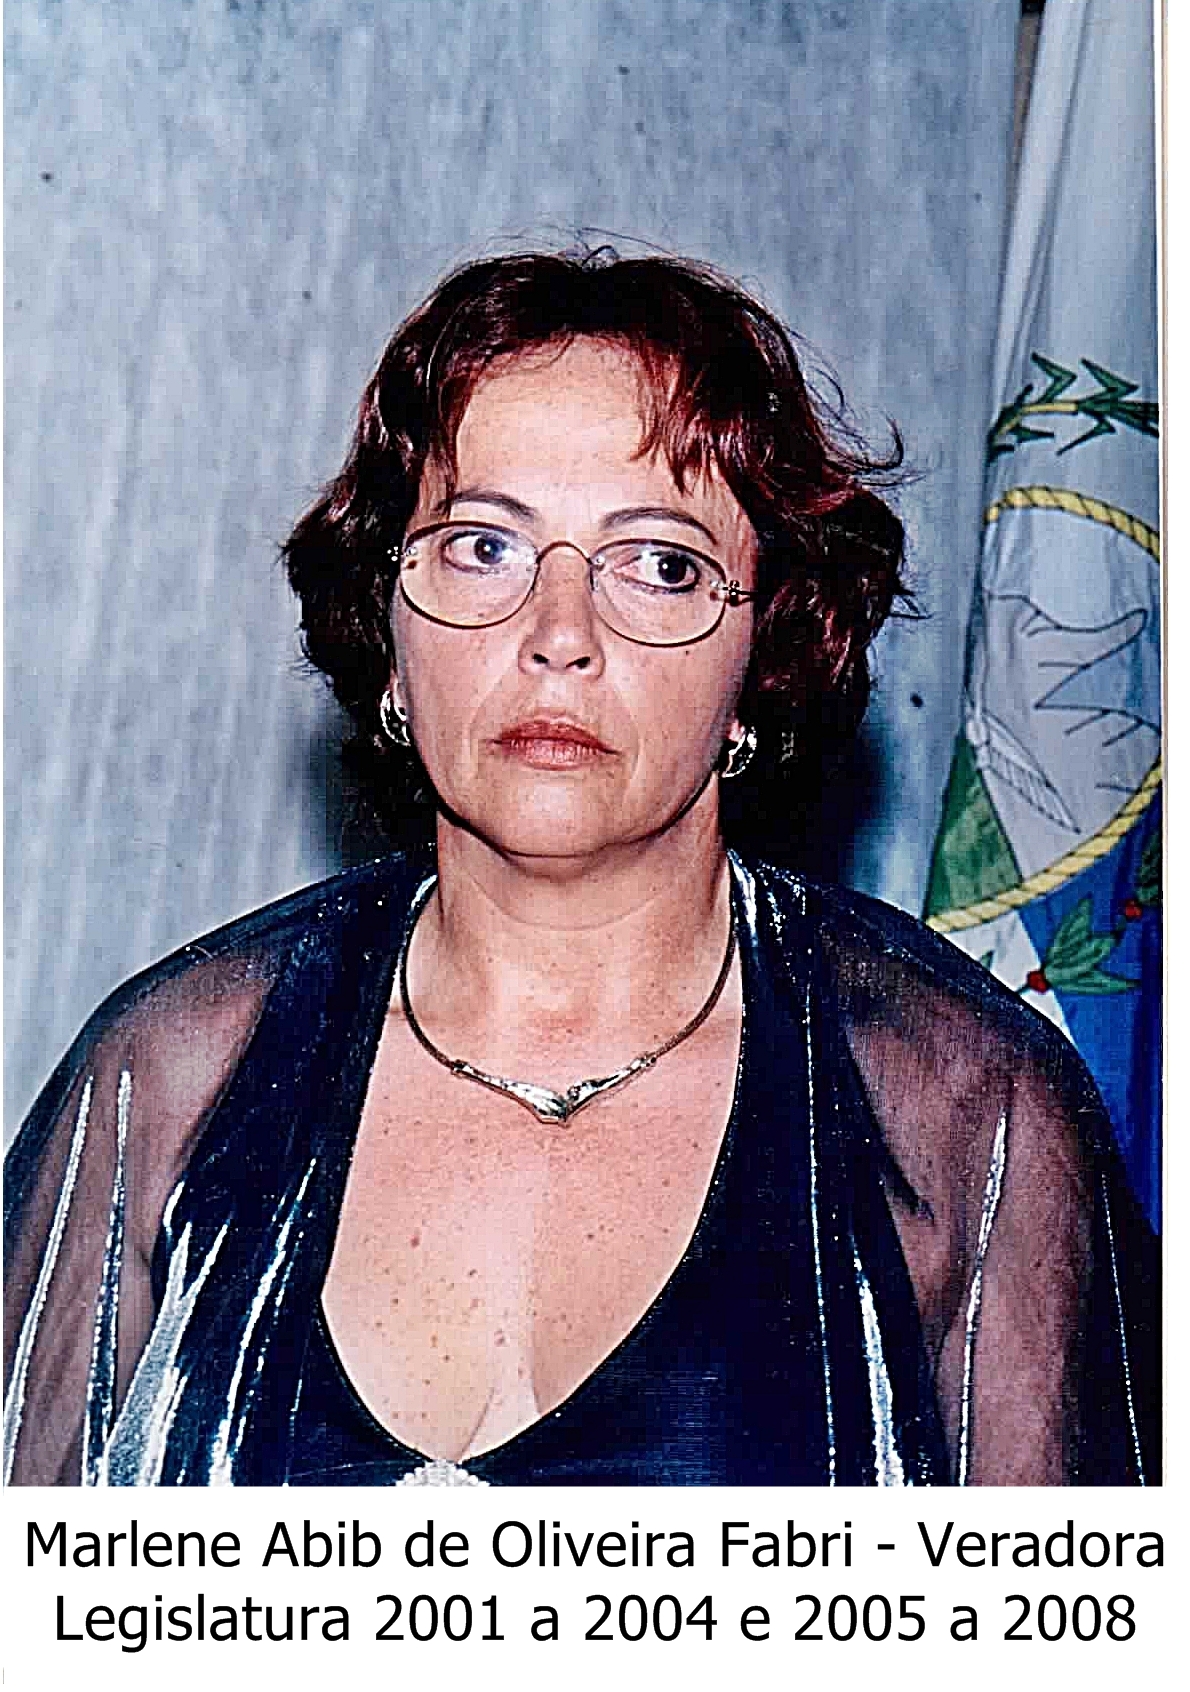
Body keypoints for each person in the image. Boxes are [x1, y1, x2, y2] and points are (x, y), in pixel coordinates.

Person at [4, 250, 1158, 1487]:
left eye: (659, 564)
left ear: (765, 656)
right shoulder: (175, 1075)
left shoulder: (964, 1118)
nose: (559, 637)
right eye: (481, 548)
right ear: (387, 635)